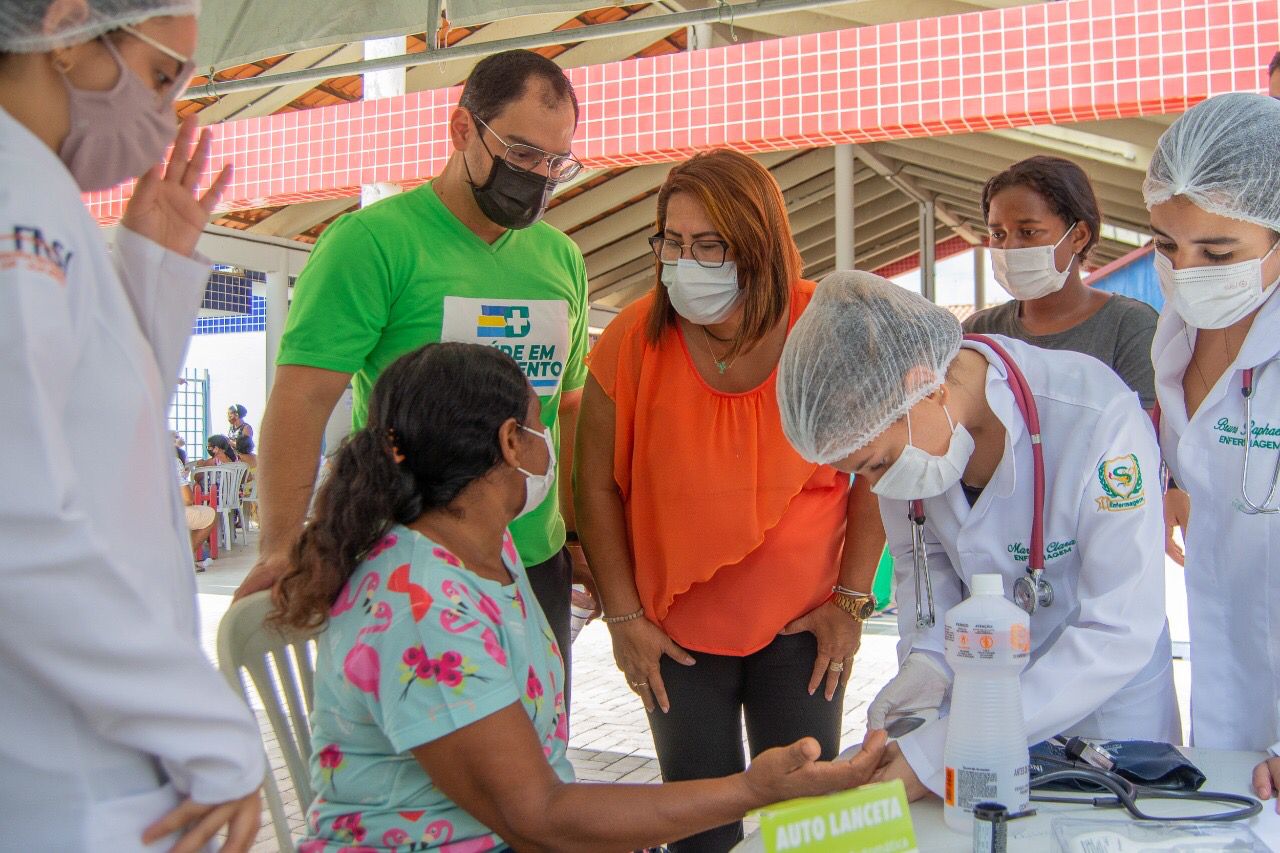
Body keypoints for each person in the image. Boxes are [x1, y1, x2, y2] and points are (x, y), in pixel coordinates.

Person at [273, 342, 888, 853]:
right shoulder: (421, 609)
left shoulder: (483, 547)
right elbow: (541, 818)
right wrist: (754, 790)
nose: (551, 446)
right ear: (512, 443)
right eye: (543, 427)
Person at [236, 49, 595, 694]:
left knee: (540, 747)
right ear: (463, 130)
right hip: (410, 560)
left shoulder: (560, 258)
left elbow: (566, 409)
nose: (536, 175)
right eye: (520, 152)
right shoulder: (370, 244)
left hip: (532, 560)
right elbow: (300, 403)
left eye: (554, 162)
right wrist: (281, 544)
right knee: (431, 770)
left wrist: (574, 535)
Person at [0, 2, 264, 851]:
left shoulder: (40, 189)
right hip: (64, 773)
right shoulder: (15, 193)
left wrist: (148, 265)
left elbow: (102, 435)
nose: (167, 113)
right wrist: (208, 727)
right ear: (70, 33)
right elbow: (16, 520)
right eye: (161, 75)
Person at [576, 149, 886, 851]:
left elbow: (875, 472)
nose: (686, 261)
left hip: (802, 636)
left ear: (757, 244)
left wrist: (850, 602)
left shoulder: (827, 326)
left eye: (708, 244)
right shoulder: (632, 338)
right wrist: (623, 617)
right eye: (672, 242)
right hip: (675, 642)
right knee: (699, 835)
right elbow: (593, 485)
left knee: (808, 832)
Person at [776, 270, 1180, 802]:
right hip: (978, 703)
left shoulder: (1096, 417)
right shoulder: (910, 444)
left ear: (926, 384)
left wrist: (942, 749)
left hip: (1106, 715)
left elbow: (1119, 626)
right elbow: (927, 573)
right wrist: (928, 665)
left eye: (875, 464)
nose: (876, 485)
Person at [1140, 92, 1280, 807]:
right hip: (1223, 713)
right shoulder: (1177, 334)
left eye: (1218, 252)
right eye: (1167, 245)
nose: (1188, 270)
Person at [965, 155, 1159, 410]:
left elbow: (1142, 439)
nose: (1009, 246)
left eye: (1028, 232)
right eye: (997, 234)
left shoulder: (1129, 328)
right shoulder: (979, 333)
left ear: (1078, 236)